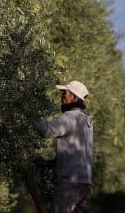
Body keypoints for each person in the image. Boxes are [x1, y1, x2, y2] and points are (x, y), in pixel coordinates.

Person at [34, 81, 93, 213]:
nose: (62, 96)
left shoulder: (70, 117)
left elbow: (46, 130)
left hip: (69, 185)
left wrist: (30, 113)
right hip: (85, 184)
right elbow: (76, 156)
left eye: (65, 93)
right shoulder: (86, 120)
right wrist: (49, 164)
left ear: (74, 97)